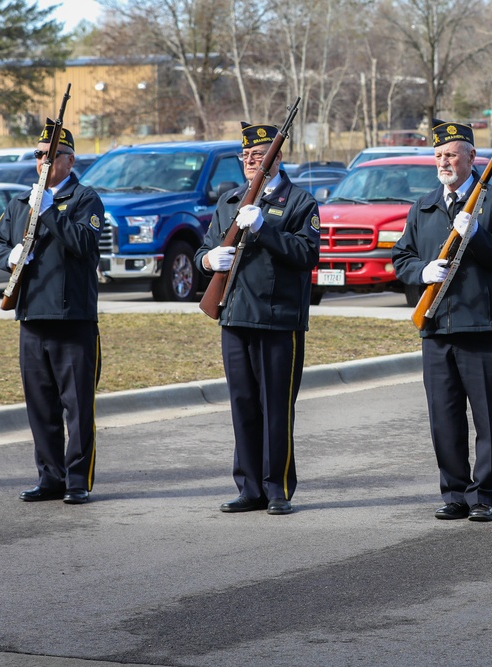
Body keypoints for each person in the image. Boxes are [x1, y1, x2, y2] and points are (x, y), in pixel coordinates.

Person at [392, 119, 492, 522]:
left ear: (472, 158)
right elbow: (401, 258)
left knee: (488, 418)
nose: (444, 161)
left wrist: (478, 233)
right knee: (444, 418)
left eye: (451, 154)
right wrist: (421, 272)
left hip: (484, 328)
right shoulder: (425, 205)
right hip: (436, 328)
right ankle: (454, 493)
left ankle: (483, 495)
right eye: (438, 155)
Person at [195, 121, 320, 516]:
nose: (250, 162)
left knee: (276, 407)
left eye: (258, 156)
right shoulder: (229, 200)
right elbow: (207, 246)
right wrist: (207, 260)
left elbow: (306, 255)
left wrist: (265, 228)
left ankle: (278, 488)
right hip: (234, 316)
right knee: (243, 405)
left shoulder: (299, 202)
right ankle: (249, 487)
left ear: (276, 158)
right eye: (245, 156)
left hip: (278, 319)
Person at [0, 120, 104, 504]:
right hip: (32, 317)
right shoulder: (20, 203)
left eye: (50, 156)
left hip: (73, 320)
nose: (42, 162)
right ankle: (50, 477)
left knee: (77, 407)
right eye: (38, 155)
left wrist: (52, 211)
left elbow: (83, 244)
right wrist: (10, 258)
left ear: (69, 161)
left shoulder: (86, 200)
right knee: (41, 406)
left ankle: (76, 481)